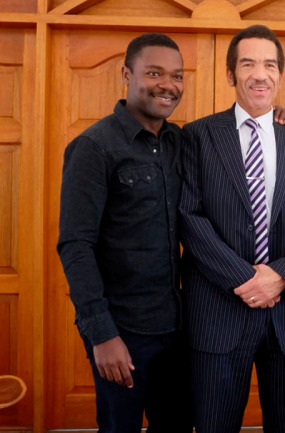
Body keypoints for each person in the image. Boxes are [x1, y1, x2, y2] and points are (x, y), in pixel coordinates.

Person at [179, 24, 285, 433]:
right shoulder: (197, 136)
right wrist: (248, 280)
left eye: (269, 64)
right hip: (217, 311)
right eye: (247, 63)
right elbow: (189, 218)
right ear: (230, 74)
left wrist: (280, 277)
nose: (259, 74)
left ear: (280, 74)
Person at [57, 33, 193, 433]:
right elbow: (75, 245)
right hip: (122, 332)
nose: (168, 84)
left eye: (177, 76)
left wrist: (275, 118)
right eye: (154, 72)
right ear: (126, 74)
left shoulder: (179, 142)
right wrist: (102, 336)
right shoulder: (94, 147)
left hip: (175, 326)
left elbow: (229, 140)